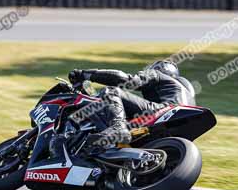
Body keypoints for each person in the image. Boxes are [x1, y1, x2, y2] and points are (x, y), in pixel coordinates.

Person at [50, 60, 196, 158]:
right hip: (171, 136)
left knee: (111, 92)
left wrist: (86, 74)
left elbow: (126, 80)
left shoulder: (158, 75)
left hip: (162, 111)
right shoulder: (184, 95)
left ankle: (117, 127)